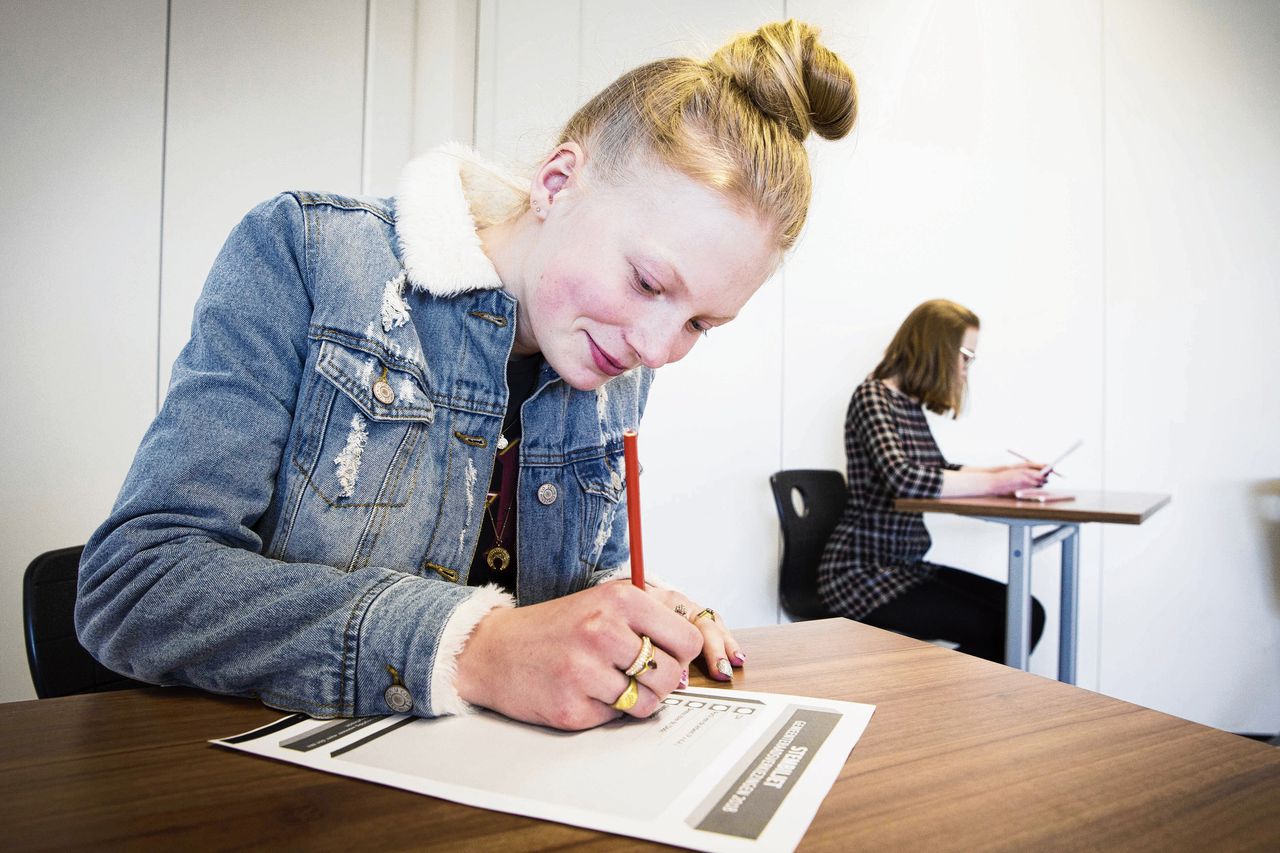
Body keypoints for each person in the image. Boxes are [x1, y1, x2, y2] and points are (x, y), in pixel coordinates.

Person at [76, 21, 858, 731]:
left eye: (699, 324)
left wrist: (628, 610)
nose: (657, 347)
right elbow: (135, 587)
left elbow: (549, 595)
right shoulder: (308, 254)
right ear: (557, 183)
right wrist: (477, 645)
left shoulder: (617, 361)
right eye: (649, 283)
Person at [817, 299, 1047, 662]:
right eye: (966, 355)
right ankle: (951, 704)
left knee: (1027, 613)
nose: (967, 367)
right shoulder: (872, 396)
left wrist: (1003, 475)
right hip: (864, 575)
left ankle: (955, 703)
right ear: (939, 348)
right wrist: (997, 484)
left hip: (907, 566)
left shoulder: (908, 405)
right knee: (1004, 622)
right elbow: (905, 479)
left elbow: (940, 468)